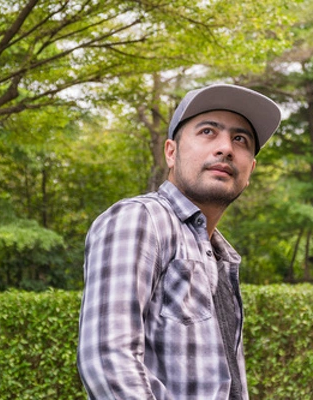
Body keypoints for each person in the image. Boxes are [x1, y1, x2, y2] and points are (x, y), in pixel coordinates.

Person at [77, 84, 281, 399]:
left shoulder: (221, 255)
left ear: (250, 169)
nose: (226, 148)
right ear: (171, 153)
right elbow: (108, 361)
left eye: (240, 139)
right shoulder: (141, 218)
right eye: (208, 132)